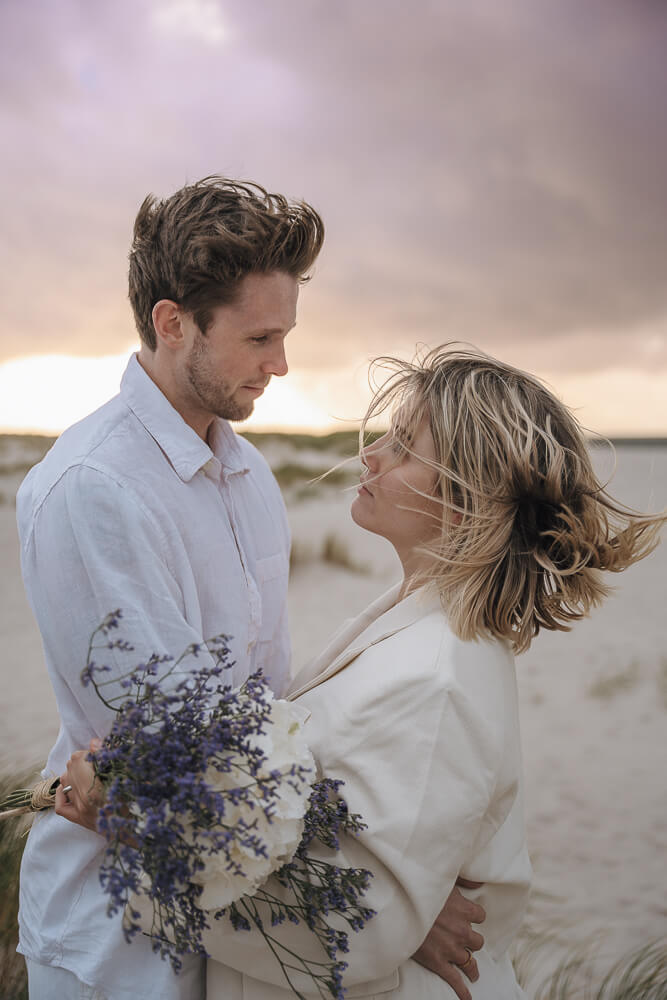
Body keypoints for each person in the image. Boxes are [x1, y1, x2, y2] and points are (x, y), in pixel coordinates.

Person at [59, 345, 665, 998]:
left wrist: (139, 824)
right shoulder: (414, 628)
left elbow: (357, 929)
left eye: (402, 447)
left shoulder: (437, 676)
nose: (370, 456)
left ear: (465, 501)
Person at [16, 179, 483, 1000]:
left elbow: (264, 719)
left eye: (286, 334)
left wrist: (383, 893)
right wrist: (384, 909)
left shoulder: (248, 475)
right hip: (118, 943)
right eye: (259, 336)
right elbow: (169, 767)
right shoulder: (94, 491)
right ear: (172, 323)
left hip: (245, 934)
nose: (282, 363)